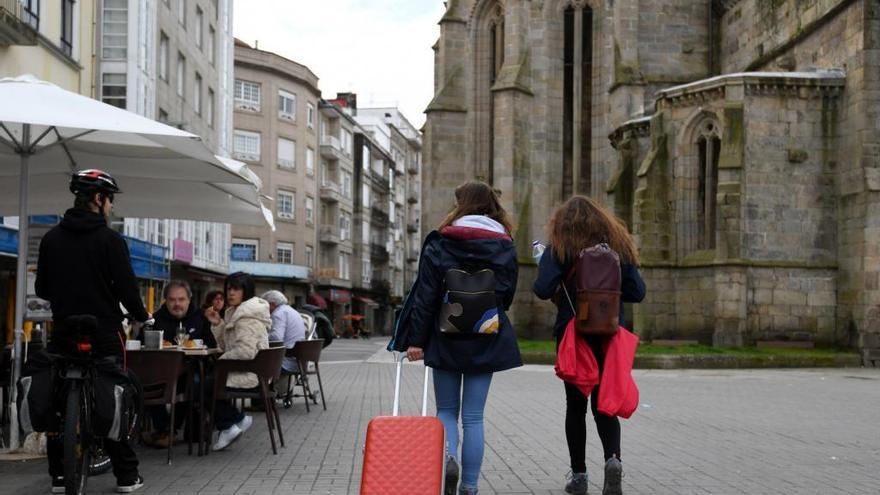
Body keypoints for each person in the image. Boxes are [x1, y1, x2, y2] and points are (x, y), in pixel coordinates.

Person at [390, 181, 522, 495]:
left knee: (446, 411)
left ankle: (448, 463)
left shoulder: (440, 242)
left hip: (445, 335)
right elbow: (507, 295)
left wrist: (416, 341)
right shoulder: (504, 245)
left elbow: (425, 296)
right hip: (485, 336)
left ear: (459, 205)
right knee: (474, 416)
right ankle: (470, 487)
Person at [35, 169, 147, 493]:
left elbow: (42, 288)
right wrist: (143, 316)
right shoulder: (111, 240)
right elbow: (127, 290)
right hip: (104, 333)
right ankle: (127, 476)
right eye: (110, 200)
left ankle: (58, 474)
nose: (111, 207)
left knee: (59, 399)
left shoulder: (51, 238)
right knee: (114, 395)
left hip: (64, 332)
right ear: (99, 199)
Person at [532, 196, 646, 495]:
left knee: (575, 407)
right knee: (604, 404)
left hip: (574, 334)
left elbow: (542, 289)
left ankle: (580, 476)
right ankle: (613, 460)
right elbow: (637, 292)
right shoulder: (618, 245)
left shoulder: (561, 246)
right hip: (609, 334)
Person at [142, 280, 216, 448]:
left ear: (189, 300)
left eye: (181, 299)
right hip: (162, 371)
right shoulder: (156, 320)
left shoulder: (200, 318)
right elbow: (143, 342)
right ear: (165, 301)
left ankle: (178, 428)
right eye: (172, 300)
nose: (177, 304)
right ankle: (164, 429)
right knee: (145, 381)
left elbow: (212, 345)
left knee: (197, 382)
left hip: (193, 369)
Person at [204, 272, 270, 451]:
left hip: (250, 373)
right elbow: (228, 346)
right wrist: (218, 324)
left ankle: (228, 425)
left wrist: (220, 363)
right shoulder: (236, 312)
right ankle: (236, 419)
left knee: (203, 385)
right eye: (228, 288)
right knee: (206, 382)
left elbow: (245, 351)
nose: (230, 293)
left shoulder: (246, 317)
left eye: (236, 289)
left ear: (246, 291)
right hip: (248, 369)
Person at [261, 290, 306, 372]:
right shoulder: (292, 311)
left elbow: (276, 338)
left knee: (255, 363)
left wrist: (262, 337)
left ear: (272, 304)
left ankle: (265, 384)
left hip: (286, 362)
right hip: (298, 361)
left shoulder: (278, 313)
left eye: (265, 305)